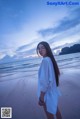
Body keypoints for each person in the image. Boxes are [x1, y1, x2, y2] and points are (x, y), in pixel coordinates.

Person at [36, 41, 62, 119]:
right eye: (39, 48)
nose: (40, 50)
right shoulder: (50, 59)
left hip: (47, 94)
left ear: (47, 49)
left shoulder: (45, 61)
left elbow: (45, 82)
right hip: (52, 91)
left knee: (50, 116)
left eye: (42, 48)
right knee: (56, 111)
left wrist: (41, 97)